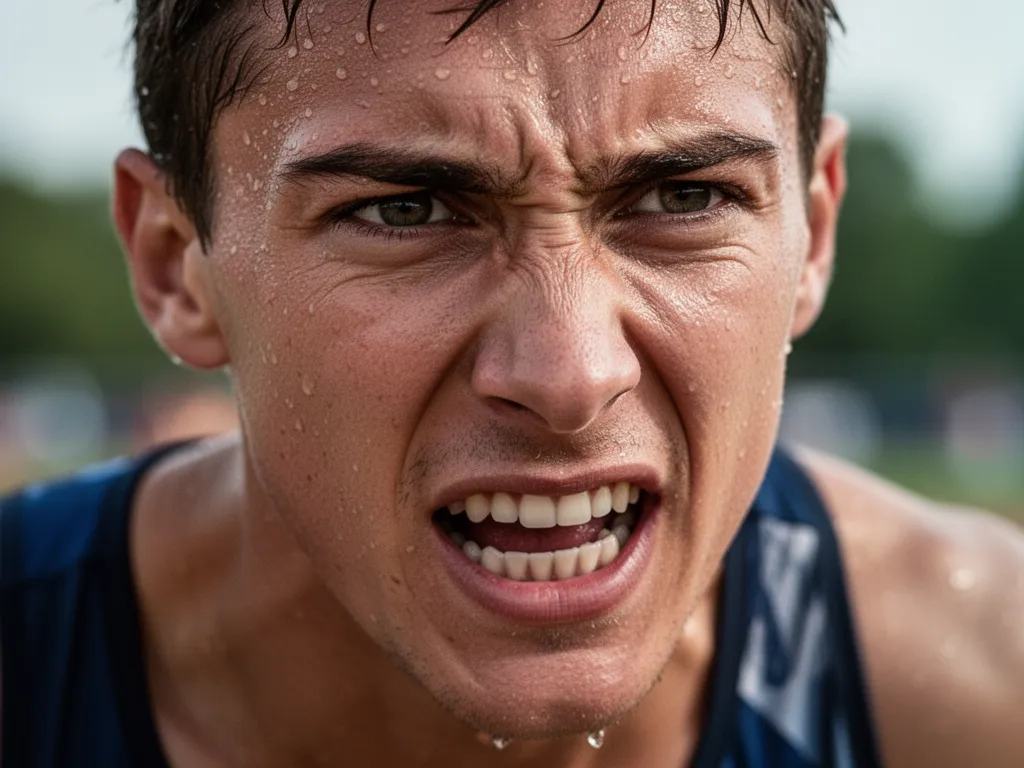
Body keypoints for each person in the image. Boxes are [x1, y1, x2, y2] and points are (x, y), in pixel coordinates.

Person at [2, 1, 1022, 765]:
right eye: (404, 211)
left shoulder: (979, 688)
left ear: (814, 233)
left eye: (684, 197)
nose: (571, 375)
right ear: (174, 262)